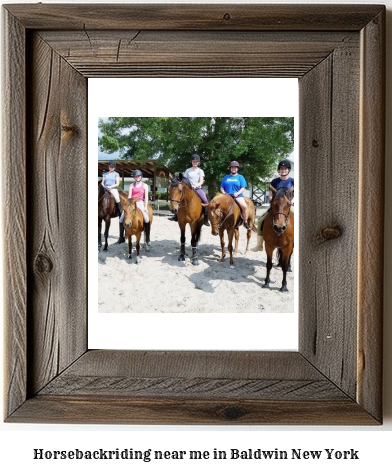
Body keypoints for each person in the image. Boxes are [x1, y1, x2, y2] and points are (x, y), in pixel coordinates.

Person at [252, 159, 294, 251]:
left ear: (288, 170)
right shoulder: (274, 181)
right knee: (261, 220)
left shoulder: (293, 181)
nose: (283, 170)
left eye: (285, 169)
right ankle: (259, 245)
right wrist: (271, 200)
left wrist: (292, 201)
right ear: (279, 170)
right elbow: (270, 194)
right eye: (281, 169)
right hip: (276, 206)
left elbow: (297, 193)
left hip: (288, 205)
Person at [169, 154, 210, 226]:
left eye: (196, 161)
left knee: (205, 200)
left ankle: (205, 218)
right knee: (180, 198)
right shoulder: (188, 170)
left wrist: (196, 185)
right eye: (194, 161)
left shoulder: (200, 171)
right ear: (191, 162)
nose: (195, 163)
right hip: (188, 189)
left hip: (197, 188)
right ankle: (176, 216)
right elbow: (184, 180)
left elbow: (201, 181)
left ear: (198, 162)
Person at [119, 169, 151, 246]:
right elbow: (129, 196)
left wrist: (145, 207)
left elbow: (146, 197)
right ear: (134, 177)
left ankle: (147, 238)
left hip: (140, 202)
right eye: (136, 176)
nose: (137, 177)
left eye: (138, 176)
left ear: (141, 177)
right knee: (121, 218)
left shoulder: (145, 185)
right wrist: (128, 205)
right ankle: (122, 236)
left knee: (146, 219)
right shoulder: (131, 185)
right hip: (132, 203)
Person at [220, 161, 250, 230]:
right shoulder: (226, 177)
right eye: (232, 167)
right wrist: (224, 192)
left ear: (237, 169)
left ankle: (245, 221)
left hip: (237, 195)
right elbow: (221, 187)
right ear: (230, 168)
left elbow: (243, 187)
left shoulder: (240, 177)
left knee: (244, 206)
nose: (234, 169)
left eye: (235, 167)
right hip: (227, 196)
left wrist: (237, 193)